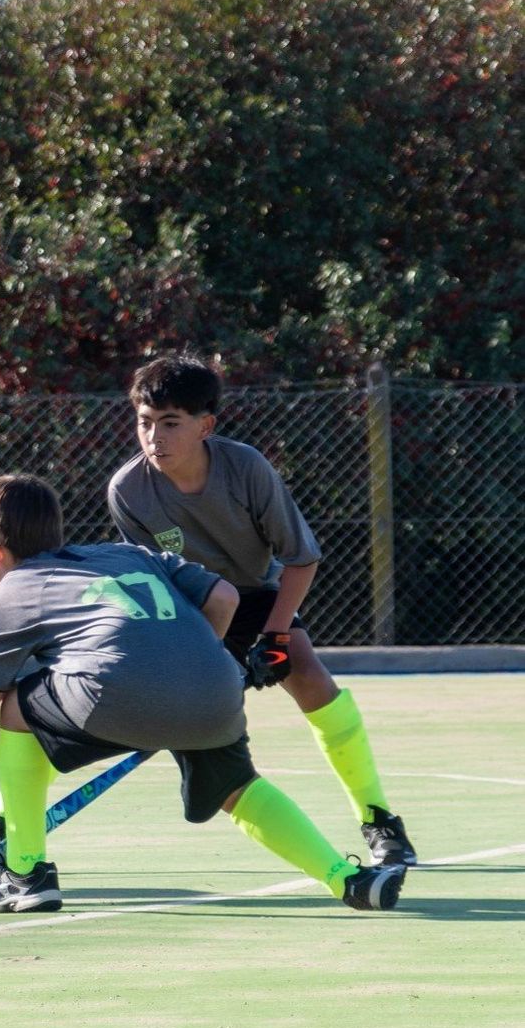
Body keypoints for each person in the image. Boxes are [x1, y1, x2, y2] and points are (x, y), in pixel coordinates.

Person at [0, 475, 406, 914]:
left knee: (15, 709)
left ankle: (27, 874)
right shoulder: (127, 553)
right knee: (240, 790)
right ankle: (348, 880)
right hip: (214, 688)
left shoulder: (9, 594)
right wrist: (188, 670)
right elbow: (224, 596)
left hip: (107, 700)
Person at [101, 354, 416, 866]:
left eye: (170, 424)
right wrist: (199, 656)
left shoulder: (245, 468)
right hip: (189, 608)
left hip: (255, 593)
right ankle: (7, 822)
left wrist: (273, 639)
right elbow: (157, 584)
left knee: (311, 675)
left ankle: (379, 820)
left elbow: (301, 558)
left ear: (206, 425)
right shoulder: (128, 491)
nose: (154, 437)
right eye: (144, 423)